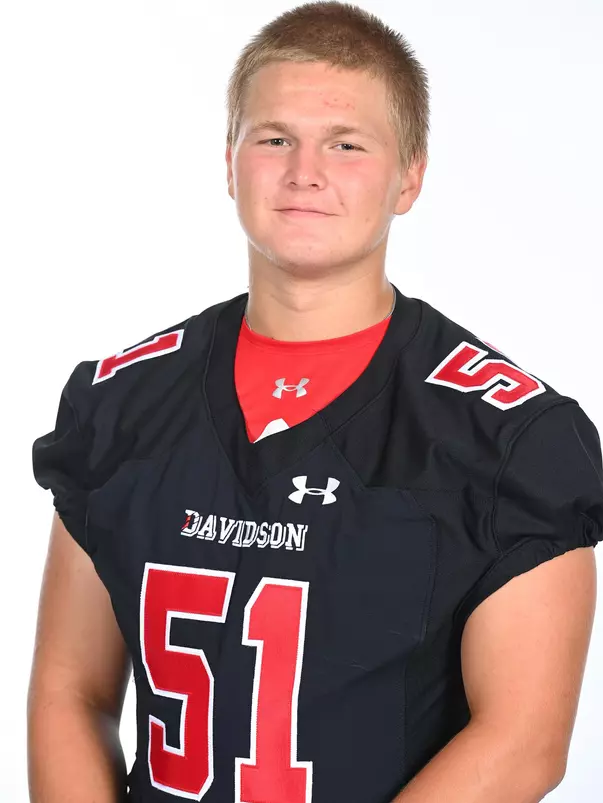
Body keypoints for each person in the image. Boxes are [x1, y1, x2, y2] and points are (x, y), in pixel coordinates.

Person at [28, 3, 603, 802]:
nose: (305, 171)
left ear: (409, 176)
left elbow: (523, 742)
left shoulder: (507, 434)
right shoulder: (120, 402)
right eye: (274, 138)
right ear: (229, 163)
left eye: (346, 144)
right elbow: (70, 689)